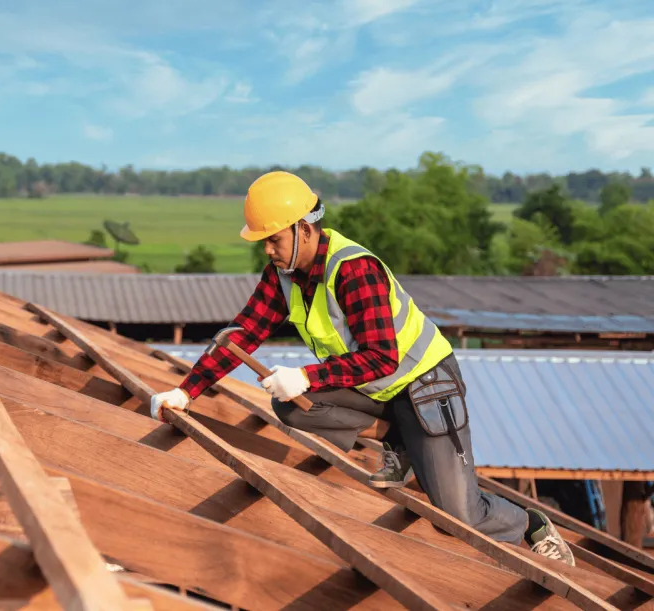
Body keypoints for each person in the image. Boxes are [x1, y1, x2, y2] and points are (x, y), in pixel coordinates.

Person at [148, 170, 576, 566]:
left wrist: (308, 375)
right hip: (378, 391)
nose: (267, 249)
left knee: (456, 514)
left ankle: (530, 523)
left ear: (304, 229)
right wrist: (186, 391)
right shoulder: (283, 274)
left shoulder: (353, 269)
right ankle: (401, 444)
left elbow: (382, 358)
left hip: (426, 386)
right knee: (293, 405)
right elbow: (242, 333)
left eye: (273, 239)